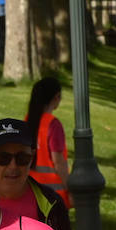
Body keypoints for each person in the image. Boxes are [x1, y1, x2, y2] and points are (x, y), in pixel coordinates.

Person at [26, 77, 71, 207]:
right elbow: (59, 162)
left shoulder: (28, 120)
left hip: (31, 190)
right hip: (53, 194)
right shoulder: (53, 124)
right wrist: (70, 188)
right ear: (57, 97)